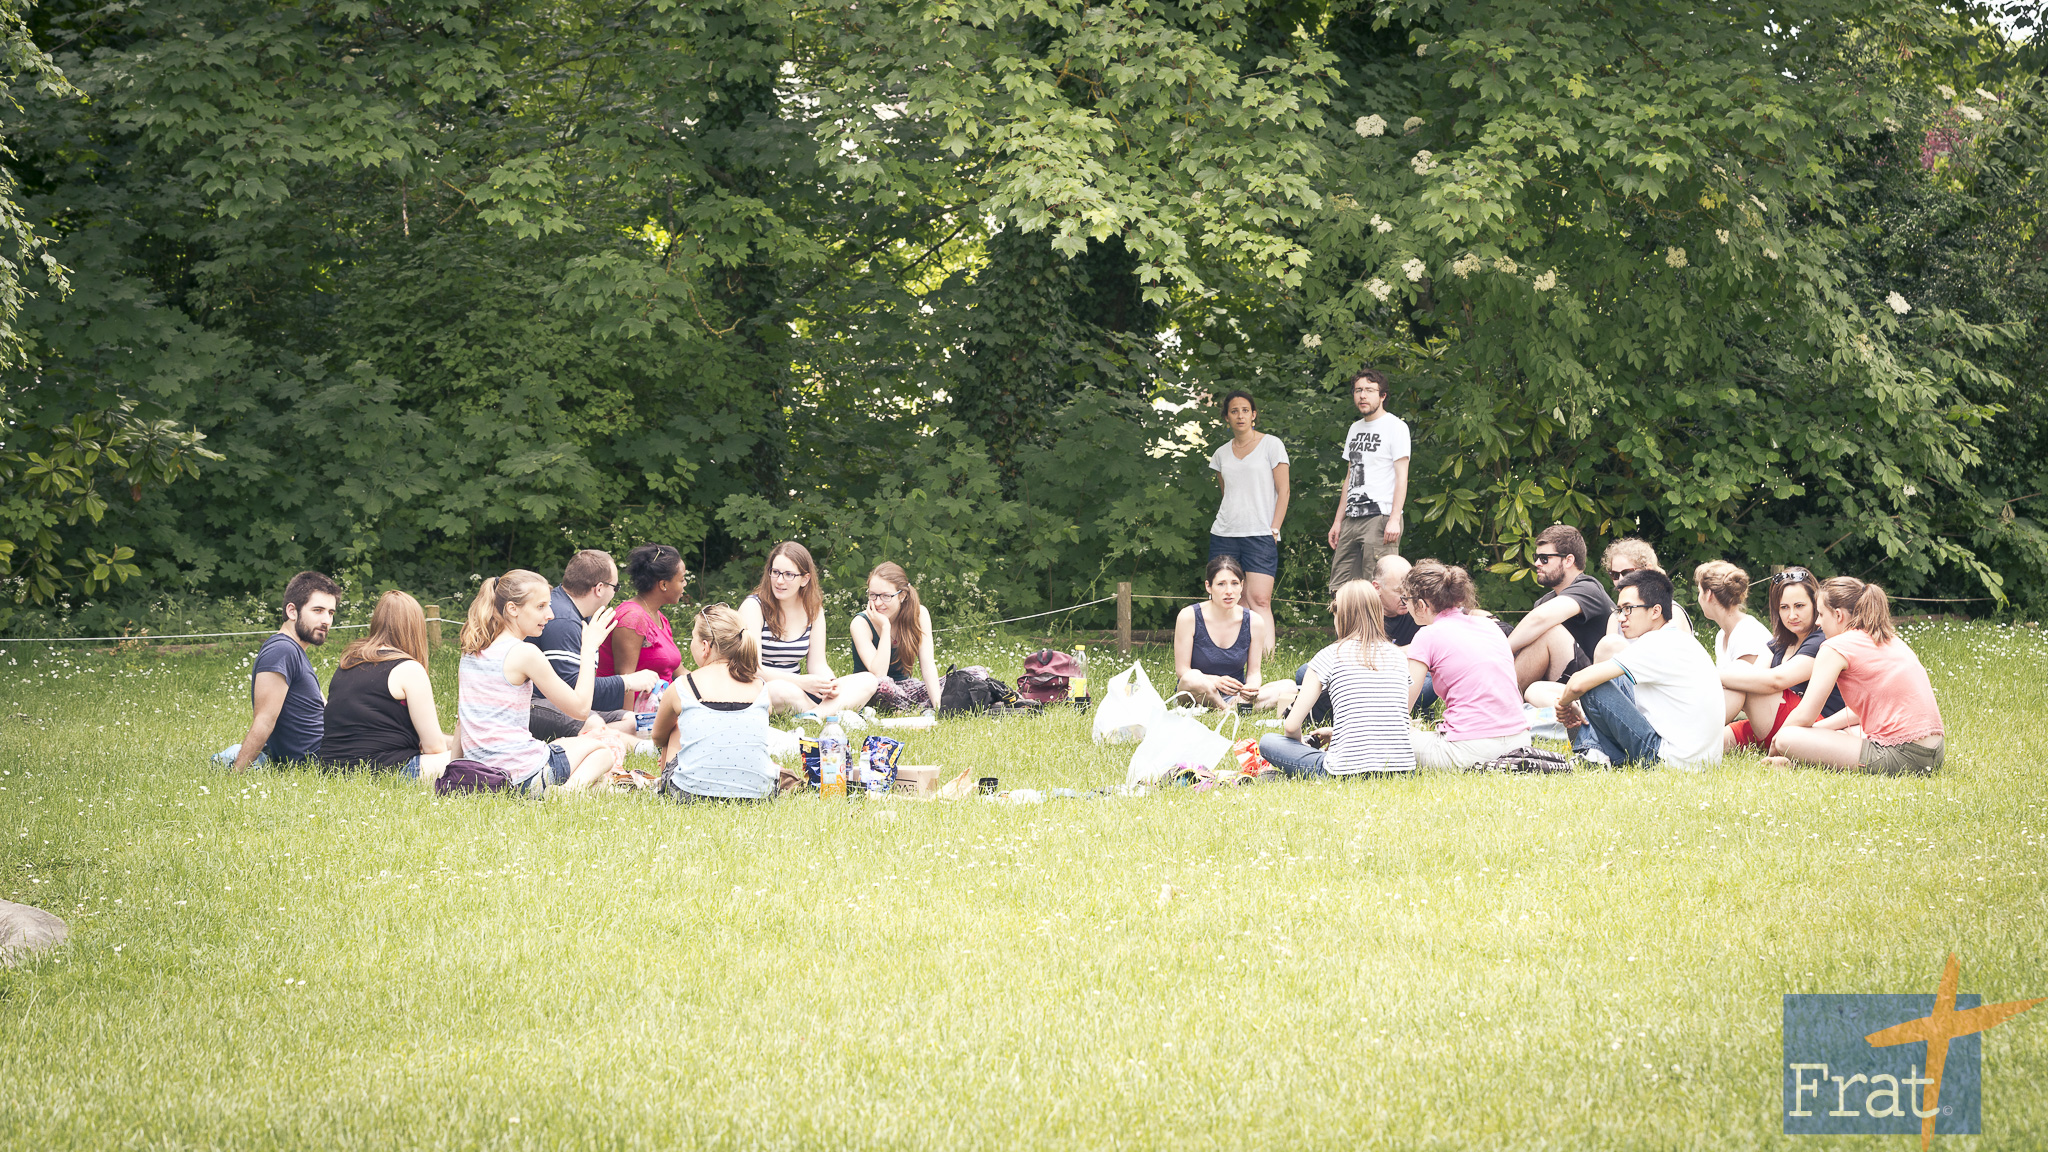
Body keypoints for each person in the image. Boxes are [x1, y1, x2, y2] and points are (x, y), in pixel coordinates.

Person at [1530, 570, 1724, 769]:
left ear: (1655, 611)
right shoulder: (1678, 639)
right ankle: (1596, 751)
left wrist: (1564, 704)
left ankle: (1590, 753)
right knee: (1613, 677)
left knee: (1593, 685)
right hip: (1698, 759)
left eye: (1628, 609)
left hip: (1670, 760)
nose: (1621, 618)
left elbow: (1579, 683)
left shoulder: (1656, 644)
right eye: (1619, 610)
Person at [457, 570, 628, 795]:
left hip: (479, 774)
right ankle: (567, 793)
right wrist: (588, 648)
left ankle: (587, 788)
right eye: (540, 607)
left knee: (566, 748)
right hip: (521, 775)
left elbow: (462, 720)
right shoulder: (525, 653)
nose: (550, 615)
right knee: (602, 751)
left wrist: (455, 771)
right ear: (512, 609)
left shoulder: (471, 651)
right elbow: (580, 709)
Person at [1769, 578, 1943, 774]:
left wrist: (1778, 740)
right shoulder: (1888, 638)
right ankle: (1800, 762)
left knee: (1788, 737)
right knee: (1847, 732)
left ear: (1838, 615)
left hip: (1902, 755)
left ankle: (1795, 756)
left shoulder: (1835, 647)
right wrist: (1818, 731)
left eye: (1821, 614)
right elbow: (1856, 712)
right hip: (1934, 753)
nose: (1818, 622)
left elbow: (1804, 715)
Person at [1260, 579, 1415, 777]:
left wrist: (1300, 747)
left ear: (1340, 615)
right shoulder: (1398, 657)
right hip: (1401, 769)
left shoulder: (1330, 655)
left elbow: (1291, 726)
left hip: (1343, 770)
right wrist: (1337, 732)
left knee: (1269, 742)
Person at [653, 605, 797, 801]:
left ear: (705, 647)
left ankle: (670, 786)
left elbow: (658, 737)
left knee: (676, 726)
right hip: (759, 794)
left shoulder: (683, 686)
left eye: (693, 638)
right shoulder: (760, 687)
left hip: (690, 794)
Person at [1402, 562, 1531, 769]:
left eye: (1406, 599)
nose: (1405, 606)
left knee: (1391, 736)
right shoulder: (1489, 625)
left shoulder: (1427, 635)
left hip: (1470, 749)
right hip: (1520, 742)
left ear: (1421, 604)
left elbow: (1402, 707)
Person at [319, 590, 451, 779]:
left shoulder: (348, 663)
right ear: (415, 628)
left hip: (333, 768)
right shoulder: (409, 669)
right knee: (470, 761)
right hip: (386, 770)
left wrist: (457, 741)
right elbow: (434, 747)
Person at [528, 549, 658, 740]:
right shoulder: (563, 621)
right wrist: (627, 682)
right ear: (599, 588)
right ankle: (603, 740)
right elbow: (572, 691)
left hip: (565, 705)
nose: (615, 593)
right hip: (535, 704)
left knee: (632, 721)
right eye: (615, 587)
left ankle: (598, 736)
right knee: (594, 723)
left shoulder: (580, 614)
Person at [1720, 566, 1853, 751]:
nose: (1792, 615)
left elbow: (1776, 681)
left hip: (1814, 727)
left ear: (1815, 604)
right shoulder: (1778, 644)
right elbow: (1752, 679)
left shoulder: (1823, 640)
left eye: (1799, 606)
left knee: (1740, 673)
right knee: (1715, 741)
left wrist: (1714, 676)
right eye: (1784, 607)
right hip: (1776, 720)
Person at [739, 542, 879, 715]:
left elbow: (817, 664)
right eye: (775, 572)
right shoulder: (753, 607)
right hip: (764, 688)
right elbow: (753, 668)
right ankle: (832, 711)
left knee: (868, 680)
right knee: (780, 690)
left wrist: (829, 683)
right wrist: (802, 682)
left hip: (801, 690)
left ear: (805, 579)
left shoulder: (813, 610)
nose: (779, 580)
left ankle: (814, 715)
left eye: (789, 574)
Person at [224, 571, 340, 771]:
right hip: (316, 762)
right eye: (318, 610)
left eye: (330, 613)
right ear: (292, 611)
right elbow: (264, 720)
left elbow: (325, 709)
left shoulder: (295, 650)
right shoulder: (281, 650)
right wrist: (236, 773)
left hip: (331, 750)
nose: (326, 620)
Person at [1207, 390, 1290, 653]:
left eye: (1245, 410)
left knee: (1260, 599)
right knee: (1231, 599)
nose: (1240, 415)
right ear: (1226, 417)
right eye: (1234, 411)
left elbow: (1284, 490)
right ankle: (1236, 657)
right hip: (1225, 534)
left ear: (1254, 415)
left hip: (1261, 534)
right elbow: (1227, 493)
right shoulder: (1221, 454)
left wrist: (1274, 528)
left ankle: (1267, 659)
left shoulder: (1272, 445)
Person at [1174, 555, 1298, 712]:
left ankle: (1227, 709)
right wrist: (1215, 681)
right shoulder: (1189, 616)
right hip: (1197, 692)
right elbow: (1182, 671)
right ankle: (1228, 710)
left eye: (1234, 583)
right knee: (1192, 678)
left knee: (1289, 687)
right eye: (1221, 584)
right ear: (1208, 586)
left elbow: (1254, 672)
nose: (1229, 591)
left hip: (1234, 696)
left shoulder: (1254, 621)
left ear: (1242, 586)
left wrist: (1251, 687)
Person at [1326, 367, 1410, 592]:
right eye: (1358, 390)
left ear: (1382, 396)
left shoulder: (1396, 427)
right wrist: (1338, 521)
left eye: (1370, 390)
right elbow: (1350, 477)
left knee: (1379, 588)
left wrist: (1394, 518)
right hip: (1351, 518)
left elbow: (1402, 477)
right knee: (1341, 589)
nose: (1362, 395)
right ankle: (1346, 619)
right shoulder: (1354, 429)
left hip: (1380, 517)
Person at [1506, 524, 1609, 695]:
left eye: (1544, 558)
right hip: (1557, 687)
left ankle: (1498, 699)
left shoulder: (1589, 589)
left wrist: (1500, 651)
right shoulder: (1544, 602)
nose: (1537, 563)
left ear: (1568, 560)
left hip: (1594, 689)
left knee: (1549, 630)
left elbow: (1540, 619)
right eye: (1536, 557)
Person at [849, 562, 942, 714]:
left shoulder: (919, 614)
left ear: (902, 595)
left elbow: (928, 666)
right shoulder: (861, 623)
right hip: (872, 690)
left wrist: (938, 706)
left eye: (886, 596)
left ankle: (919, 707)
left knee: (974, 674)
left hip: (905, 688)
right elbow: (879, 674)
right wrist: (885, 627)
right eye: (873, 595)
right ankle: (915, 708)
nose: (878, 603)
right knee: (884, 686)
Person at [596, 543, 687, 684]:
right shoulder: (631, 618)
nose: (685, 584)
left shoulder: (659, 617)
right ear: (663, 584)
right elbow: (626, 684)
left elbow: (680, 672)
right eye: (681, 580)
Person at [1695, 561, 1773, 673]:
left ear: (1708, 594)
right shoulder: (1721, 635)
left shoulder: (1747, 633)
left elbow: (1747, 681)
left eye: (1699, 591)